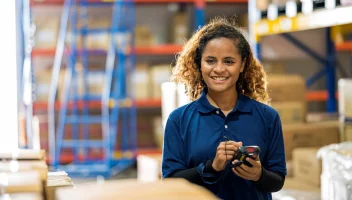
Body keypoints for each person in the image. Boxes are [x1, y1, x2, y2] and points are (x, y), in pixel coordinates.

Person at [161, 17, 287, 200]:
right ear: (199, 64)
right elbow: (170, 181)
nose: (219, 69)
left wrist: (259, 175)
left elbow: (278, 180)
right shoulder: (179, 120)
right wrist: (211, 167)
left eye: (229, 61)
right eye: (210, 61)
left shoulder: (268, 117)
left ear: (242, 64)